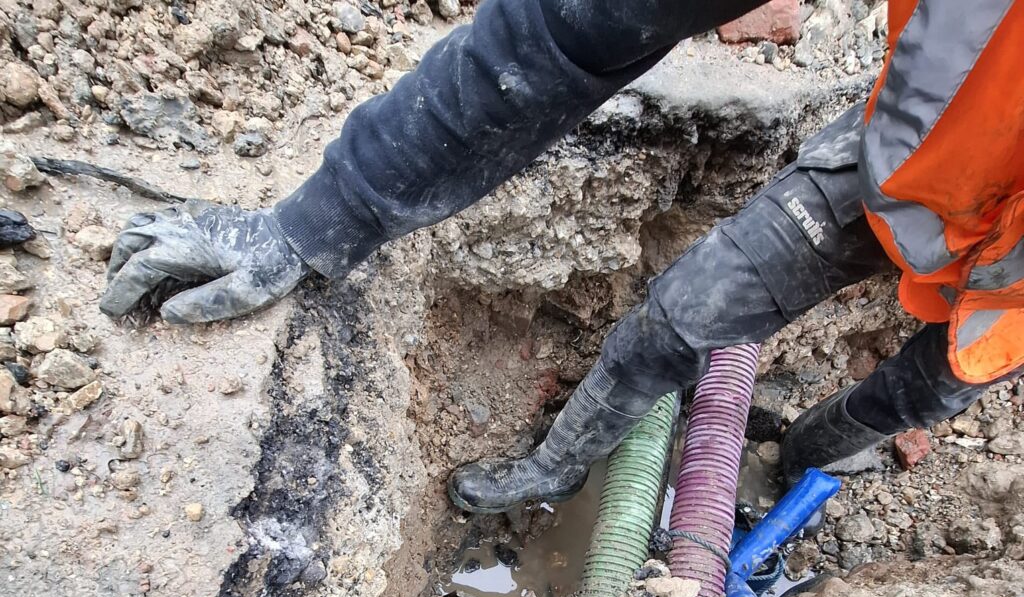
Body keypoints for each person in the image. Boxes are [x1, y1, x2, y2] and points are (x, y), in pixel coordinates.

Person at [100, 0, 1024, 514]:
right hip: (913, 168)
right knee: (683, 314)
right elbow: (569, 26)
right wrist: (317, 220)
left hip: (1006, 306)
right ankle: (560, 466)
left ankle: (798, 464)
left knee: (914, 395)